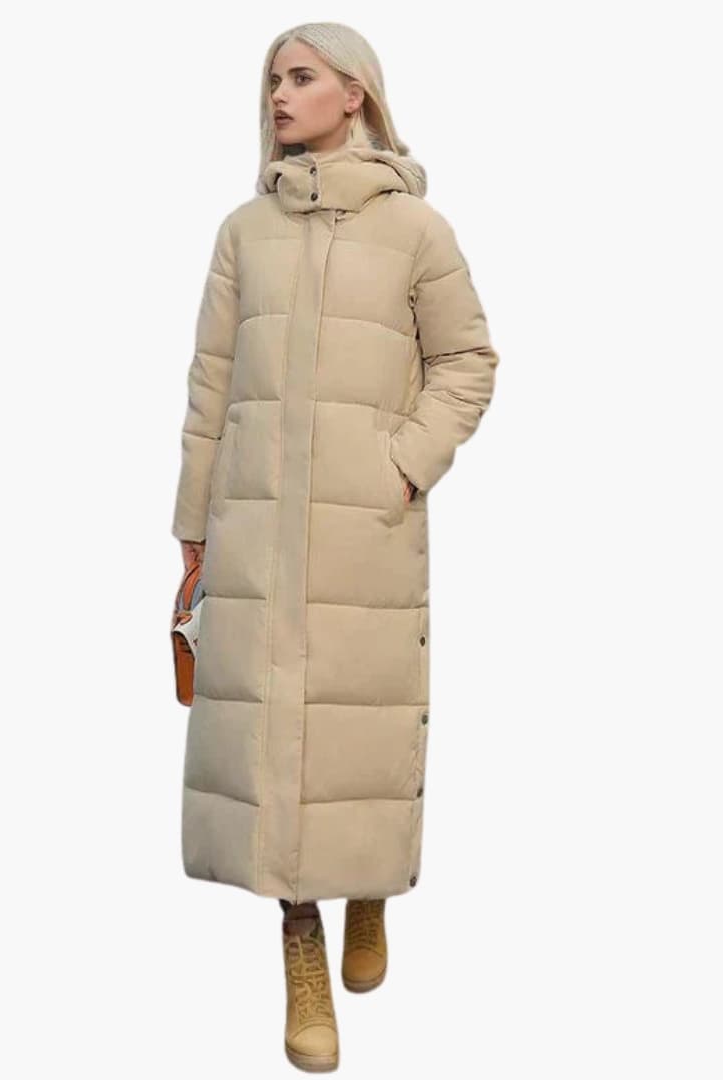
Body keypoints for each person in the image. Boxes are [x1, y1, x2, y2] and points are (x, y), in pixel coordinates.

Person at [172, 21, 500, 1073]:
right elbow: (211, 387)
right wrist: (193, 533)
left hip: (368, 526)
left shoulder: (417, 230)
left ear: (354, 94)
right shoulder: (243, 231)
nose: (278, 94)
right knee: (269, 739)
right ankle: (299, 941)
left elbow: (468, 360)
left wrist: (401, 463)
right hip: (254, 526)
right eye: (273, 78)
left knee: (357, 726)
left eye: (300, 77)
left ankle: (369, 891)